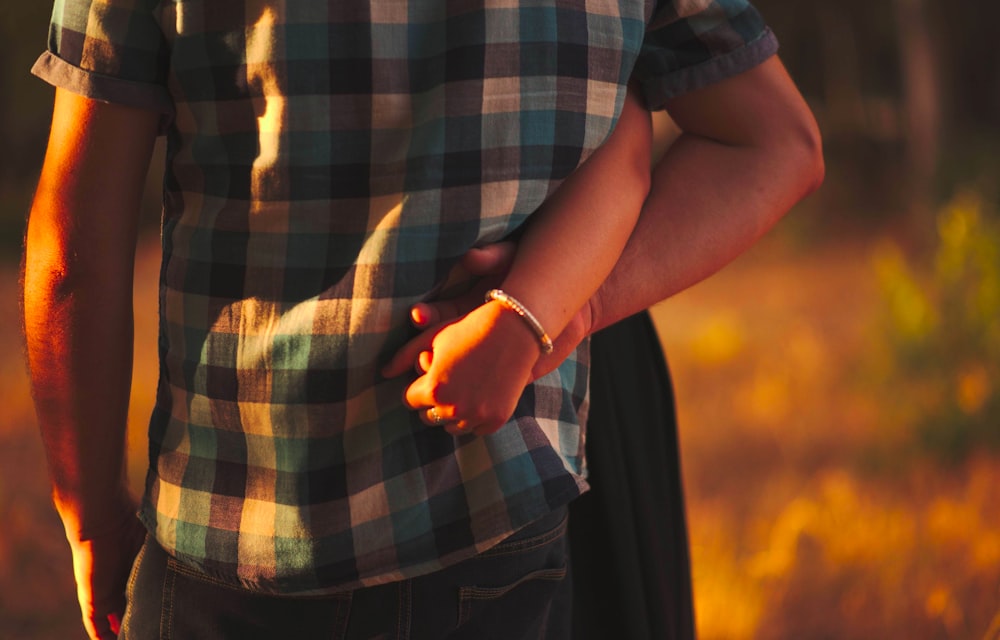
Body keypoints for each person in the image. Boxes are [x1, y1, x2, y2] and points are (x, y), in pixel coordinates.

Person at [22, 2, 822, 640]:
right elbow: (774, 144)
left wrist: (91, 514)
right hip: (486, 516)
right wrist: (554, 316)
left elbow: (73, 260)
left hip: (233, 532)